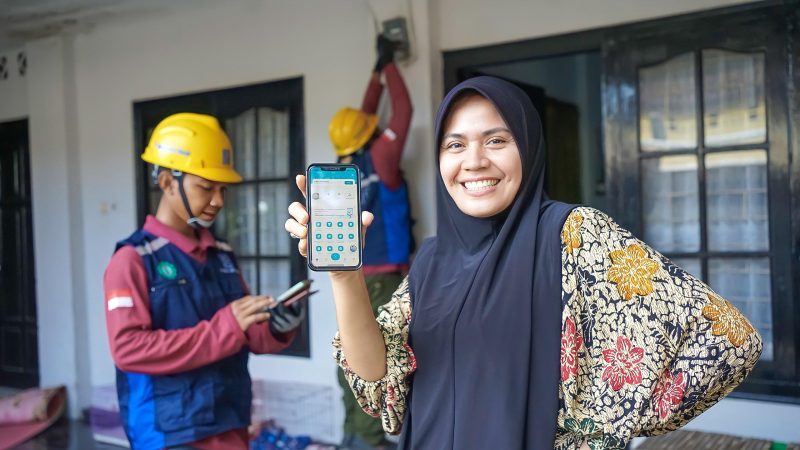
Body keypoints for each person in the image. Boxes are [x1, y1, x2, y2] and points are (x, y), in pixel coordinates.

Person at [285, 77, 763, 450]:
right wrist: (345, 277)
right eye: (455, 145)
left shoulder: (574, 235)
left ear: (528, 149)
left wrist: (596, 425)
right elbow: (377, 378)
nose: (473, 161)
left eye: (496, 140)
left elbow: (727, 341)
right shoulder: (432, 259)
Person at [104, 113, 306, 450]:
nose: (218, 200)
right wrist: (226, 326)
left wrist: (277, 328)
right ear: (167, 182)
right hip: (170, 432)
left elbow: (246, 332)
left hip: (230, 419)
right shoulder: (132, 260)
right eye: (206, 187)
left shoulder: (221, 255)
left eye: (223, 188)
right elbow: (128, 350)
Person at [327, 34, 413, 450]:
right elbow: (404, 112)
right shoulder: (381, 155)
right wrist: (391, 66)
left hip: (355, 278)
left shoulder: (348, 163)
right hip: (386, 281)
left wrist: (376, 73)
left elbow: (363, 116)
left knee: (352, 362)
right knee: (382, 366)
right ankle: (371, 443)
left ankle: (353, 440)